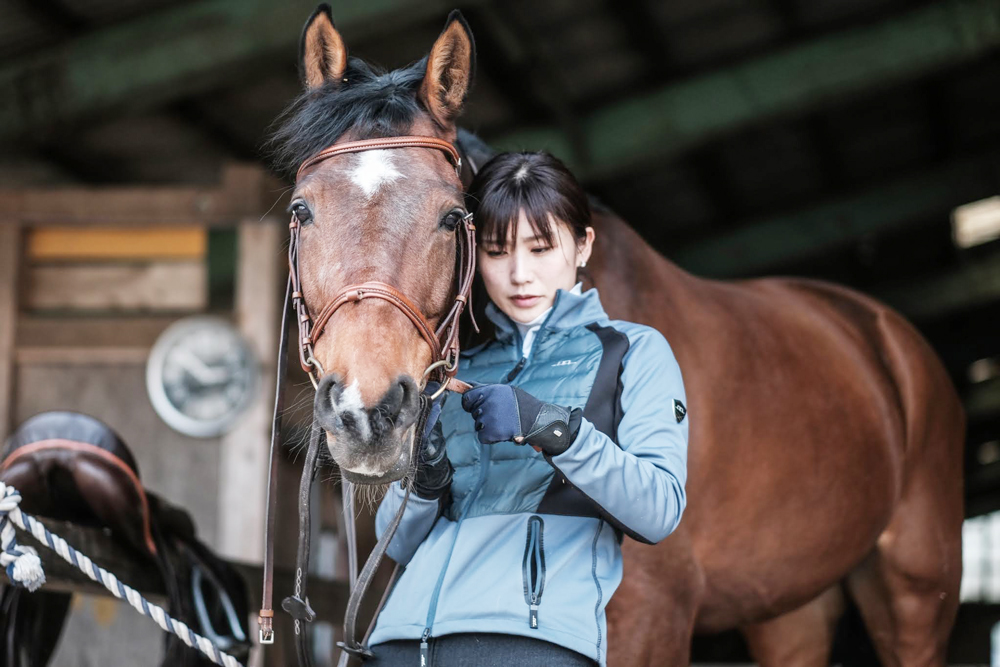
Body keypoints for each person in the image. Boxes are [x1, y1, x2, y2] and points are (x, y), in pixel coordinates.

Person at [365, 151, 689, 667]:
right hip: (401, 642)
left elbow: (659, 511)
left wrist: (552, 428)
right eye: (496, 251)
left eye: (541, 249)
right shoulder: (451, 364)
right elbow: (394, 544)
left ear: (582, 246)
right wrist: (422, 483)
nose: (520, 274)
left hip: (535, 644)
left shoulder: (632, 352)